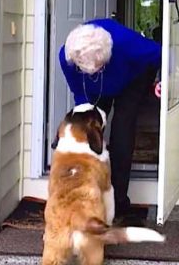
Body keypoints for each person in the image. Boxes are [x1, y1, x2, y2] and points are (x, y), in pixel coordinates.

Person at [59, 18, 161, 225]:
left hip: (132, 78)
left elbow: (161, 53)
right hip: (95, 88)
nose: (93, 71)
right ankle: (89, 195)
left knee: (122, 129)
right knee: (88, 134)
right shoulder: (67, 57)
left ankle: (119, 202)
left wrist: (163, 80)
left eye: (97, 68)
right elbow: (79, 92)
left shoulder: (126, 43)